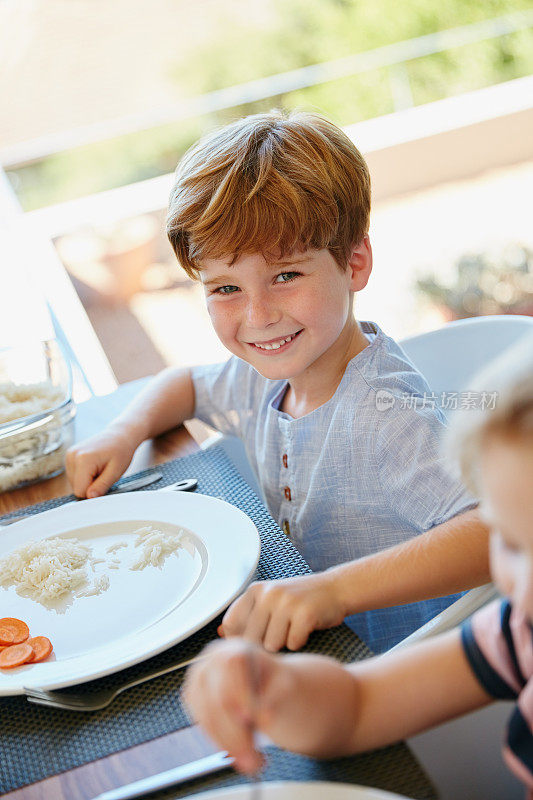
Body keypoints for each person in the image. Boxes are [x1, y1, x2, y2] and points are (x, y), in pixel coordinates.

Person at [65, 110, 489, 653]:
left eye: (285, 275)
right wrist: (121, 434)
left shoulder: (385, 414)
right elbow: (186, 386)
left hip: (395, 669)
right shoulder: (261, 377)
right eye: (224, 288)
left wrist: (330, 591)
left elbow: (491, 532)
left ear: (354, 262)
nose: (258, 315)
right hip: (307, 636)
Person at [183, 338, 533, 793]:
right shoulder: (518, 633)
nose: (522, 589)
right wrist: (274, 687)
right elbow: (358, 707)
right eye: (511, 542)